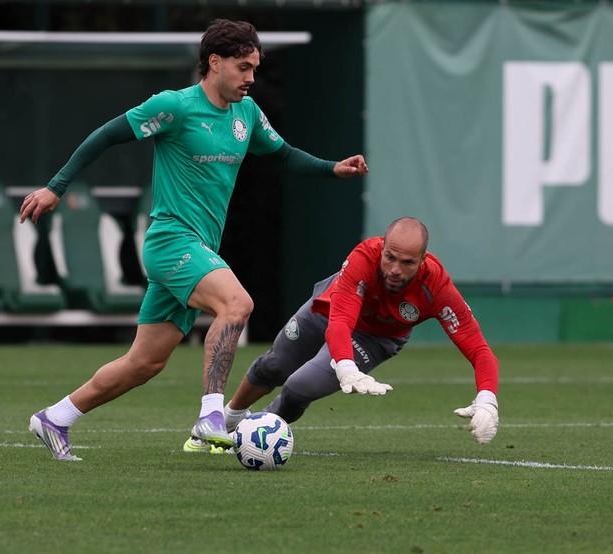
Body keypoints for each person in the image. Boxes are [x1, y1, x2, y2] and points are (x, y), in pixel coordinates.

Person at [22, 19, 369, 462]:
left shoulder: (247, 114)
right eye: (243, 67)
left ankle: (56, 417)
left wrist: (331, 168)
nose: (250, 78)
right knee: (237, 305)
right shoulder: (175, 107)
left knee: (144, 363)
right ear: (214, 62)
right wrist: (56, 187)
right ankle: (211, 416)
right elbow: (106, 135)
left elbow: (282, 155)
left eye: (255, 69)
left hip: (199, 247)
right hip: (171, 241)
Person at [183, 216, 500, 453]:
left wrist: (488, 399)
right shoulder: (364, 257)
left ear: (423, 261)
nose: (394, 269)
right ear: (382, 249)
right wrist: (344, 365)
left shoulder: (437, 288)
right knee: (275, 365)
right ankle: (229, 418)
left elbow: (479, 349)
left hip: (374, 340)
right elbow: (340, 321)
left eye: (407, 263)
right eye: (390, 257)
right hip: (330, 312)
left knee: (298, 387)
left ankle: (252, 435)